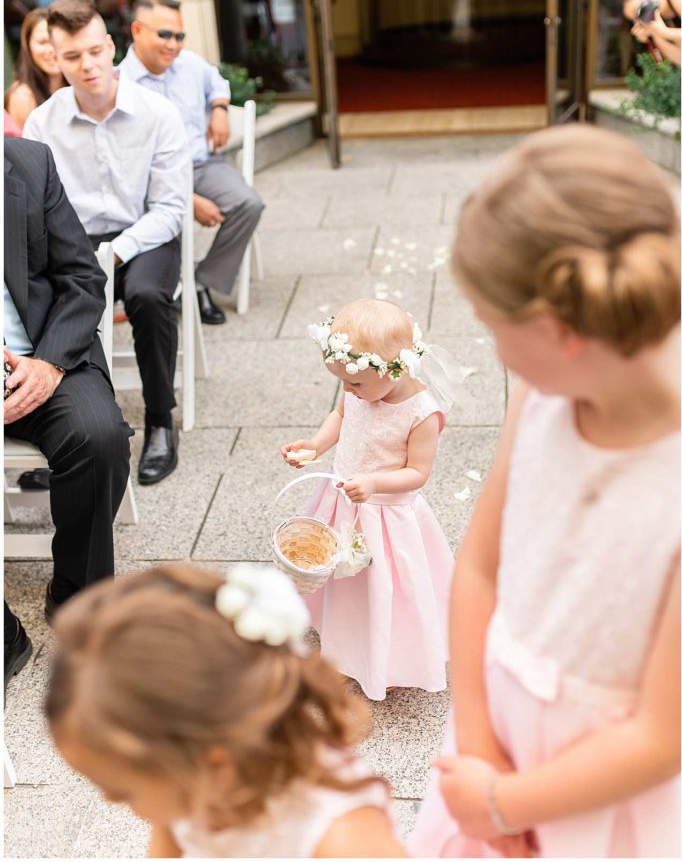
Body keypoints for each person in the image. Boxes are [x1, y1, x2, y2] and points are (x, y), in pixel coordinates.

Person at [410, 124, 680, 858]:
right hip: (490, 738)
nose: (494, 351)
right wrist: (480, 751)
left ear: (559, 329)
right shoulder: (540, 396)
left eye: (491, 327)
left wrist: (507, 803)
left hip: (601, 801)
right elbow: (479, 568)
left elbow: (661, 738)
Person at [45, 562, 406, 857]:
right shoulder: (190, 778)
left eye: (122, 790)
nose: (108, 800)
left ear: (213, 760)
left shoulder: (344, 841)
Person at [23, 0, 189, 485]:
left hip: (144, 234)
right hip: (72, 243)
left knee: (148, 294)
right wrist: (81, 257)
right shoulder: (42, 123)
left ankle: (160, 418)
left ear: (111, 45)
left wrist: (117, 251)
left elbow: (171, 210)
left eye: (95, 51)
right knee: (42, 300)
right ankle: (75, 438)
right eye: (73, 57)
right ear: (55, 58)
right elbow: (38, 214)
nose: (88, 65)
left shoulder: (158, 114)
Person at [4, 135, 133, 688]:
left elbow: (83, 280)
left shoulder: (28, 164)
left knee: (99, 436)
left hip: (40, 355)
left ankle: (77, 594)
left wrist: (49, 365)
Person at [282, 300, 459, 701]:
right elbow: (341, 417)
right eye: (342, 381)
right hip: (342, 500)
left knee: (385, 585)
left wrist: (375, 482)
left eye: (356, 384)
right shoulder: (358, 387)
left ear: (395, 370)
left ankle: (389, 652)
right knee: (345, 581)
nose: (348, 389)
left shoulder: (422, 413)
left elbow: (418, 472)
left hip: (385, 516)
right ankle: (345, 636)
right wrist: (315, 446)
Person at [121, 0, 264, 325]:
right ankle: (160, 291)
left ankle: (199, 283)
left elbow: (218, 82)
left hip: (201, 165)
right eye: (165, 35)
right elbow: (133, 167)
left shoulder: (192, 64)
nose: (174, 45)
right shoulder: (120, 84)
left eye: (179, 36)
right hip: (151, 179)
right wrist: (187, 200)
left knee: (248, 204)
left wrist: (219, 110)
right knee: (165, 222)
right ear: (138, 31)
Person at [4, 7, 68, 131]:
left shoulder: (77, 85)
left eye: (58, 40)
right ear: (28, 46)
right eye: (43, 42)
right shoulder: (23, 96)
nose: (52, 50)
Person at [622, 0, 681, 66]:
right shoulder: (666, 20)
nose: (640, 20)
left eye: (639, 11)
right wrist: (654, 33)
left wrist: (664, 32)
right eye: (635, 20)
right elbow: (680, 59)